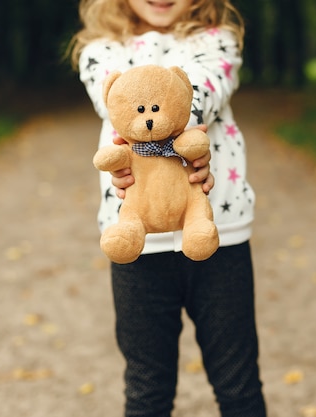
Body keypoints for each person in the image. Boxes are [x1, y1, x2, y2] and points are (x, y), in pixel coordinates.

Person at [70, 1, 266, 416]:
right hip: (135, 242)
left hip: (218, 234)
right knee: (146, 388)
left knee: (238, 382)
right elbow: (119, 106)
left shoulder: (218, 41)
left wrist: (176, 135)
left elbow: (203, 92)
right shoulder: (101, 50)